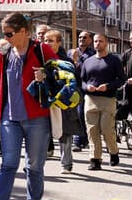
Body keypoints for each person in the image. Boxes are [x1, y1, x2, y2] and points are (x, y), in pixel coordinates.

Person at [0, 13, 55, 200]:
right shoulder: (4, 52)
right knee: (8, 164)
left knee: (34, 166)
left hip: (37, 118)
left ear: (24, 31)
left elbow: (63, 75)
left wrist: (47, 75)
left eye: (9, 33)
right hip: (9, 118)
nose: (4, 37)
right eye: (3, 33)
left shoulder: (42, 50)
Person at [78, 34, 125, 171]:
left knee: (106, 129)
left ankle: (114, 152)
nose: (98, 44)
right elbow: (82, 80)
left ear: (106, 43)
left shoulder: (114, 60)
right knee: (92, 130)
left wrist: (108, 86)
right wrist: (87, 87)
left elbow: (121, 79)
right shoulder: (88, 61)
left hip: (108, 99)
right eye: (96, 41)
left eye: (101, 41)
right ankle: (95, 159)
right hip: (91, 99)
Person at [44, 29, 83, 173]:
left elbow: (73, 82)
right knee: (41, 132)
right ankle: (37, 162)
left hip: (62, 101)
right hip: (45, 100)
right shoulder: (40, 58)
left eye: (51, 40)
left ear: (59, 43)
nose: (47, 43)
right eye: (45, 40)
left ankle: (66, 164)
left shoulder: (65, 61)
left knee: (65, 133)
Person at [69, 31, 95, 152]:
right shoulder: (71, 52)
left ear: (90, 40)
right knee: (74, 114)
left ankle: (81, 140)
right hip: (73, 87)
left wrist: (78, 61)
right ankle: (79, 140)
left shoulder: (93, 54)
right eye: (79, 37)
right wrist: (73, 60)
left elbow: (89, 70)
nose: (82, 39)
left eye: (85, 37)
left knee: (81, 113)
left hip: (86, 87)